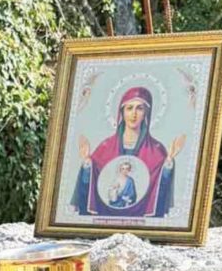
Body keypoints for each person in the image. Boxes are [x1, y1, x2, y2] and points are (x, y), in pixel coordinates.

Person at [71, 86, 185, 218]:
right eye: (129, 108)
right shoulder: (105, 146)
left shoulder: (157, 149)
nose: (134, 114)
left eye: (139, 108)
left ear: (146, 113)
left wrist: (168, 163)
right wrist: (87, 164)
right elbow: (91, 182)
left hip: (141, 215)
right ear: (122, 112)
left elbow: (160, 188)